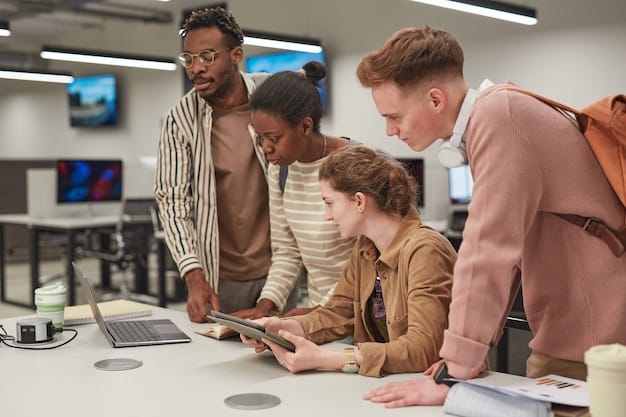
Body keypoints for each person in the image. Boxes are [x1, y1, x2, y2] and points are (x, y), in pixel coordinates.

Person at [356, 27, 626, 406]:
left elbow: (487, 250)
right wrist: (470, 350)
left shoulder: (500, 116)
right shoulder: (503, 110)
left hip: (590, 340)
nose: (390, 130)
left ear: (435, 100)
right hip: (586, 327)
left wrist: (456, 367)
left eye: (394, 116)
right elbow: (508, 247)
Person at [241, 145, 456, 377]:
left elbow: (423, 349)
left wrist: (327, 359)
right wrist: (280, 328)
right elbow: (337, 313)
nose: (327, 215)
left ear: (360, 201)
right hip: (391, 384)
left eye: (329, 202)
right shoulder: (365, 247)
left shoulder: (425, 251)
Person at [154, 7, 272, 321]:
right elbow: (173, 201)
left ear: (236, 55)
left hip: (280, 270)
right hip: (217, 278)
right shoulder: (179, 119)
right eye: (188, 59)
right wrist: (193, 276)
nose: (196, 69)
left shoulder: (271, 99)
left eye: (207, 57)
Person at [231, 62, 355, 319]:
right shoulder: (281, 171)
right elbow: (287, 251)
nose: (266, 148)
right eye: (260, 138)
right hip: (322, 313)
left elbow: (377, 261)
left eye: (274, 138)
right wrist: (265, 307)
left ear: (306, 127)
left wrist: (324, 311)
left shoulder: (357, 165)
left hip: (366, 314)